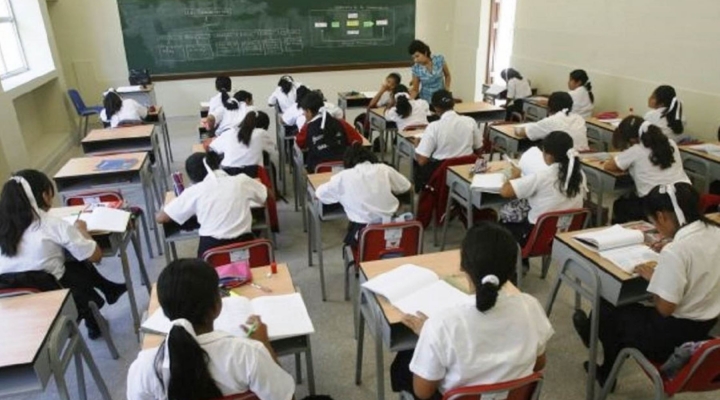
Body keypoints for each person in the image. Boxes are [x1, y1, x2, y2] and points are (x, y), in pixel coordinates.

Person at [573, 182, 720, 387]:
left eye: (654, 223)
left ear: (662, 216)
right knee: (624, 312)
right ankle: (600, 339)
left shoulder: (677, 251)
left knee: (608, 305)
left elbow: (665, 308)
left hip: (671, 337)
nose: (657, 230)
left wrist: (655, 279)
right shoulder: (714, 231)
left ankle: (606, 370)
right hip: (705, 326)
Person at [390, 222, 554, 399]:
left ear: (463, 267)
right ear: (512, 270)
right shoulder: (530, 306)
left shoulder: (441, 325)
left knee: (405, 359)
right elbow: (538, 364)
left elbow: (423, 393)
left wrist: (428, 336)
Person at [126, 259, 295, 400]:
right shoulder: (248, 354)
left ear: (165, 311)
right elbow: (286, 398)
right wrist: (265, 344)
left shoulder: (143, 368)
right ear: (217, 306)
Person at [0, 170, 126, 339]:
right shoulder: (52, 224)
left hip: (14, 309)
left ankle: (104, 299)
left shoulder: (4, 227)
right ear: (45, 195)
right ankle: (95, 312)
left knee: (69, 263)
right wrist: (81, 230)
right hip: (56, 304)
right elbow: (96, 256)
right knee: (78, 262)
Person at [156, 152, 267, 257]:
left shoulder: (194, 191)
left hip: (211, 254)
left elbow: (161, 218)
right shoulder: (242, 181)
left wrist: (166, 206)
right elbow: (266, 195)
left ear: (192, 179)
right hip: (247, 249)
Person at [499, 131, 586, 246]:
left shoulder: (543, 176)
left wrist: (514, 176)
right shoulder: (579, 174)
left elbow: (505, 192)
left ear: (548, 156)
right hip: (568, 233)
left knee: (504, 219)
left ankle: (514, 255)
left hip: (537, 236)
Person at [316, 143, 412, 246]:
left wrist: (342, 197)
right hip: (393, 228)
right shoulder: (384, 169)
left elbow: (320, 194)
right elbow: (407, 186)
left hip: (363, 230)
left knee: (350, 245)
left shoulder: (342, 177)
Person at [604, 116, 690, 223]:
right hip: (684, 196)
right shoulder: (671, 143)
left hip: (656, 202)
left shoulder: (636, 150)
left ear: (632, 140)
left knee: (619, 205)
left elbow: (609, 166)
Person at [413, 90, 483, 192]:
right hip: (467, 169)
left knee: (418, 166)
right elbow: (479, 149)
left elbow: (422, 161)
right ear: (453, 103)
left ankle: (423, 195)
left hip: (442, 172)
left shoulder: (434, 127)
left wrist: (417, 146)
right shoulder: (470, 121)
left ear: (435, 107)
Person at [295, 91, 364, 172]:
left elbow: (298, 143)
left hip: (319, 170)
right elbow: (359, 140)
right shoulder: (341, 123)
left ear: (309, 112)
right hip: (344, 166)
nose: (303, 114)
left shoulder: (307, 128)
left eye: (304, 111)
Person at [209, 110, 278, 176]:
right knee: (270, 165)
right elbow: (273, 150)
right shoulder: (261, 133)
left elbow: (212, 147)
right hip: (253, 174)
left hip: (229, 174)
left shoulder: (229, 132)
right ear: (263, 126)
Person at [516, 91, 589, 151]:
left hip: (565, 159)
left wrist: (516, 128)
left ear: (549, 107)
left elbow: (521, 132)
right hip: (583, 156)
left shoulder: (552, 121)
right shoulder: (579, 118)